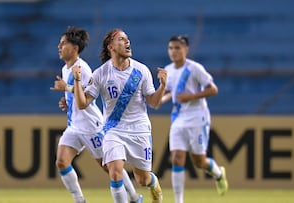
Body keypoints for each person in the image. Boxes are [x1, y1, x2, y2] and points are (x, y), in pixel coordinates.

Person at [71, 28, 166, 203]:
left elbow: (153, 102)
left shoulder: (141, 70)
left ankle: (154, 185)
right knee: (115, 172)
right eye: (121, 39)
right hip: (113, 129)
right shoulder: (100, 73)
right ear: (111, 47)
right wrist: (77, 81)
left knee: (142, 179)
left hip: (139, 130)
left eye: (127, 39)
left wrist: (162, 86)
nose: (127, 42)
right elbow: (83, 103)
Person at [50, 26, 142, 203]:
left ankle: (133, 197)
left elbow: (88, 94)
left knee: (109, 167)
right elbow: (76, 96)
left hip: (92, 127)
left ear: (75, 48)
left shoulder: (82, 68)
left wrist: (67, 88)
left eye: (63, 44)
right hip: (75, 127)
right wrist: (67, 100)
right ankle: (80, 200)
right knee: (61, 161)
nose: (59, 47)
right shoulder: (65, 69)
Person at [156, 35, 228, 203]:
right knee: (176, 158)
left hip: (197, 118)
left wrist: (191, 97)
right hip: (178, 118)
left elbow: (213, 89)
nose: (173, 51)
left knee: (199, 161)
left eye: (177, 48)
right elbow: (172, 93)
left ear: (185, 49)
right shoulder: (169, 70)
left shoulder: (195, 68)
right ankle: (178, 200)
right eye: (171, 48)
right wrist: (161, 99)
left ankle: (218, 173)